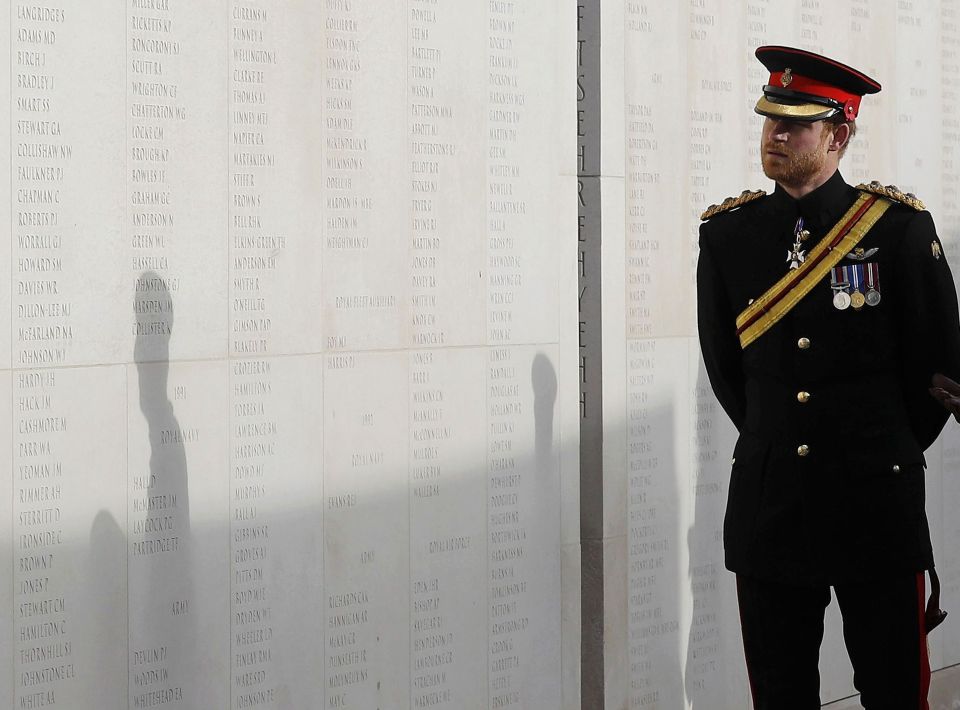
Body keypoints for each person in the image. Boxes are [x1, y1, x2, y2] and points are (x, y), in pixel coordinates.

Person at [696, 45, 960, 710]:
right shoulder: (728, 236)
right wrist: (778, 438)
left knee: (894, 689)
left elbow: (936, 371)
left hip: (875, 503)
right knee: (781, 693)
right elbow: (730, 371)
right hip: (771, 506)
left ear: (838, 134)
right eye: (768, 120)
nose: (774, 135)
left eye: (793, 125)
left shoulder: (898, 231)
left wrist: (878, 449)